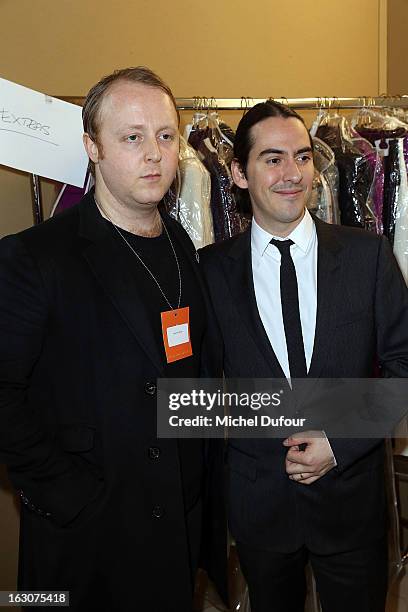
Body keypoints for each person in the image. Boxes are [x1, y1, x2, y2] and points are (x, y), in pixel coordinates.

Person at [0, 67, 226, 611]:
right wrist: (68, 493)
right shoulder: (33, 257)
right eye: (132, 136)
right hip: (87, 535)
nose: (154, 153)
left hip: (177, 525)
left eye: (166, 136)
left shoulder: (179, 242)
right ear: (92, 147)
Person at [200, 100, 408, 612]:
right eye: (272, 159)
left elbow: (405, 368)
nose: (292, 174)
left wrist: (338, 440)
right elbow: (202, 392)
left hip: (351, 505)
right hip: (259, 507)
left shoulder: (368, 257)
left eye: (302, 157)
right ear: (238, 174)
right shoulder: (208, 272)